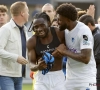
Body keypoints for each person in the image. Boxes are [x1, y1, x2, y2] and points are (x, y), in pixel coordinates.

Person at [53, 3, 96, 90]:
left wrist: (65, 52)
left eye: (60, 20)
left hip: (86, 79)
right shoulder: (65, 31)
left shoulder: (84, 31)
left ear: (68, 20)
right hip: (70, 79)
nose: (57, 22)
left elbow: (86, 58)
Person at [27, 12, 66, 90]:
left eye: (42, 25)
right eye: (36, 27)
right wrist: (38, 66)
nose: (39, 29)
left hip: (58, 76)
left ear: (49, 23)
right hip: (41, 77)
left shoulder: (59, 33)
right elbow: (31, 64)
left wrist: (63, 49)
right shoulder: (32, 41)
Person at [0, 1, 29, 90]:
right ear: (22, 13)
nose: (28, 14)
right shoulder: (5, 29)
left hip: (19, 74)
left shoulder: (24, 29)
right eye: (27, 12)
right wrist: (16, 57)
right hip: (6, 75)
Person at [79, 14, 100, 90]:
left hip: (97, 76)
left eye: (82, 28)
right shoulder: (91, 35)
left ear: (89, 25)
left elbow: (98, 56)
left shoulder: (97, 36)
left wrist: (84, 58)